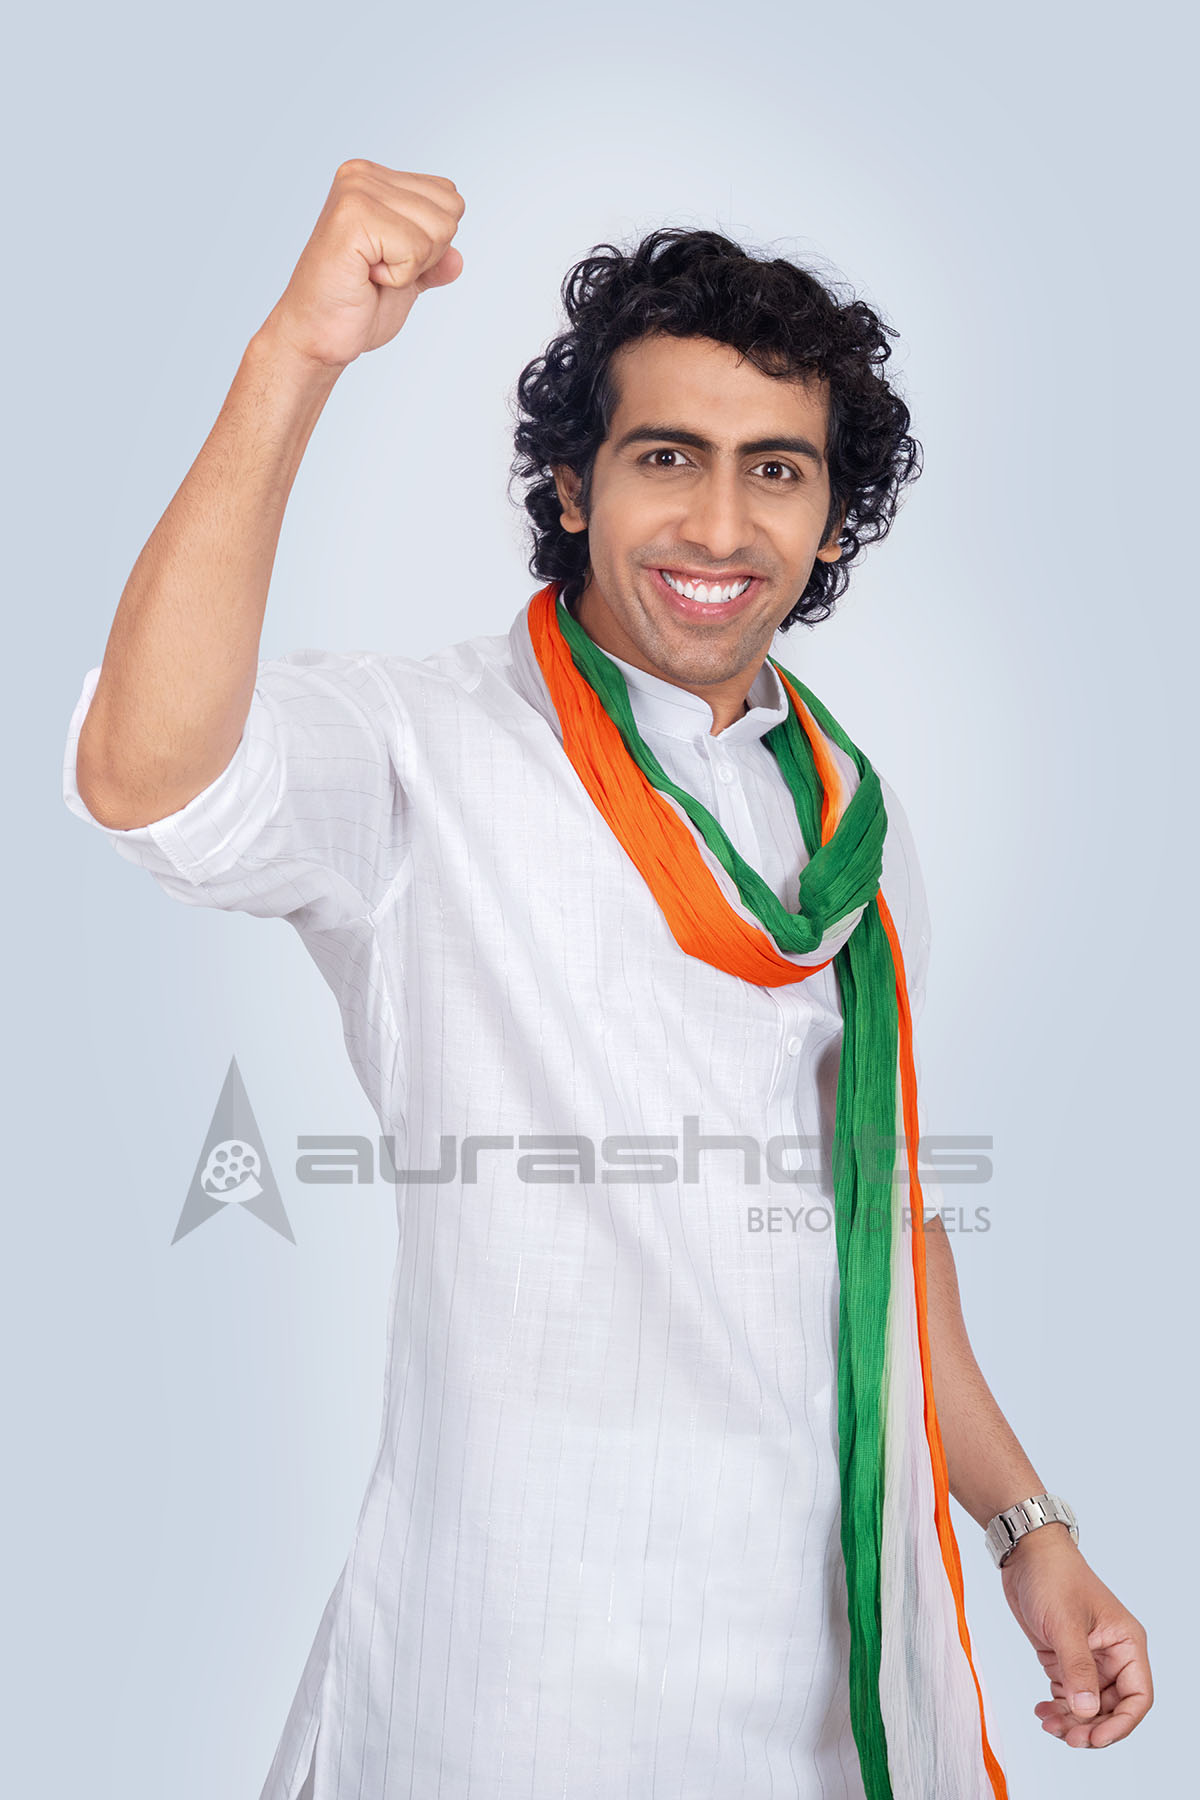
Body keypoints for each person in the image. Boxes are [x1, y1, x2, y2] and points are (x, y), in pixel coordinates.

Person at [62, 162, 1153, 1799]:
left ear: (832, 519)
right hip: (514, 1674)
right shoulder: (423, 749)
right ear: (573, 488)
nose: (720, 527)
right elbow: (144, 773)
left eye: (774, 473)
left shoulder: (848, 817)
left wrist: (1026, 1526)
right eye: (667, 460)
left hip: (836, 1663)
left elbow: (883, 1214)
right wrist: (297, 355)